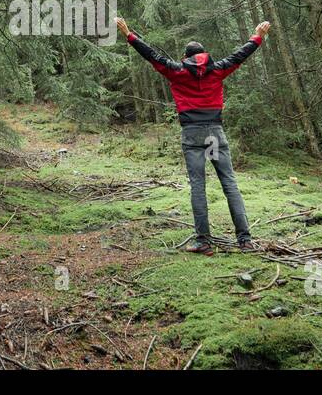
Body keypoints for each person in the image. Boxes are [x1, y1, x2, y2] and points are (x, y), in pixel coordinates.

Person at [114, 17, 270, 255]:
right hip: (215, 134)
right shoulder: (217, 69)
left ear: (185, 57)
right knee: (229, 183)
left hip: (192, 134)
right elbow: (241, 54)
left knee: (198, 186)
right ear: (205, 55)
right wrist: (257, 36)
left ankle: (204, 242)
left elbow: (152, 55)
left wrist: (129, 34)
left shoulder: (177, 71)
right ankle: (245, 240)